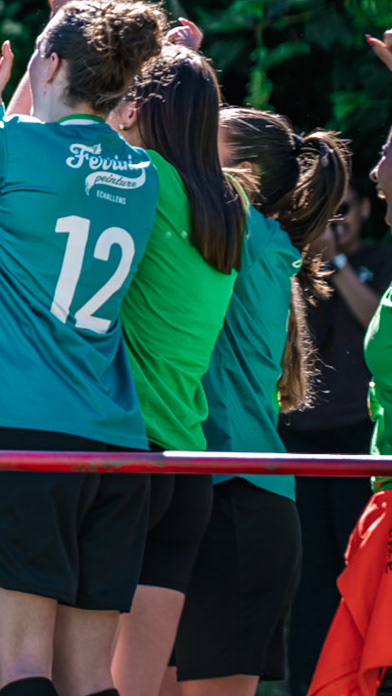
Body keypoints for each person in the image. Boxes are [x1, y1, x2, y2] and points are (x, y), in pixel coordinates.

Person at [0, 0, 168, 696]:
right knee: (89, 680)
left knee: (22, 670)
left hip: (21, 438)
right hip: (114, 447)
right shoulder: (142, 173)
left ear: (51, 64)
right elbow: (52, 170)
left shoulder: (15, 144)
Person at [172, 106, 348, 694]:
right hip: (219, 497)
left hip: (240, 505)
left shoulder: (244, 233)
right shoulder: (253, 236)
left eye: (204, 142)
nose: (186, 148)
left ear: (242, 178)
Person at [107, 44, 246, 696]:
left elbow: (75, 141)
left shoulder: (144, 178)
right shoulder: (227, 202)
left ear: (142, 107)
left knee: (84, 678)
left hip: (129, 459)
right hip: (186, 470)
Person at [278, 169, 387, 693]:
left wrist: (339, 260)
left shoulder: (382, 262)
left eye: (346, 208)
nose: (337, 220)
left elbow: (372, 319)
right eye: (329, 210)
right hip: (300, 437)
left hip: (357, 442)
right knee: (308, 575)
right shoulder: (298, 264)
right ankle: (306, 683)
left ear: (366, 209)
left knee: (359, 571)